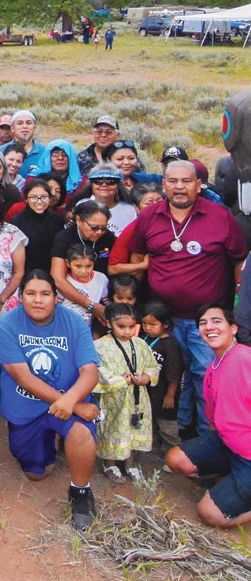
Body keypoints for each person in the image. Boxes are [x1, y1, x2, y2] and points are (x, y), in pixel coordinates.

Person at [130, 160, 248, 432]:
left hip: (205, 321)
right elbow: (137, 258)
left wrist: (236, 305)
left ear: (198, 185)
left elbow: (239, 261)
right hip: (161, 320)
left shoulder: (220, 216)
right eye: (173, 181)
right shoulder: (149, 217)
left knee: (206, 376)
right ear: (164, 185)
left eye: (186, 181)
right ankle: (172, 434)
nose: (179, 187)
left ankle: (209, 438)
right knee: (165, 376)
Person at [0, 270, 100, 530]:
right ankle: (52, 438)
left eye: (45, 294)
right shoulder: (7, 324)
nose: (38, 300)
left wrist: (70, 400)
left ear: (56, 298)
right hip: (27, 405)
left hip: (68, 400)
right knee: (37, 474)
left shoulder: (74, 323)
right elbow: (23, 377)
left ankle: (81, 492)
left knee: (80, 431)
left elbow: (90, 372)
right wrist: (74, 404)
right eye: (30, 293)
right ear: (21, 297)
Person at [165, 304, 251, 528]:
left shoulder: (245, 357)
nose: (209, 327)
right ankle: (230, 481)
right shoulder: (213, 367)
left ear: (233, 328)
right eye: (203, 323)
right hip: (229, 445)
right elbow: (214, 418)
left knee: (209, 514)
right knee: (176, 459)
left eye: (216, 321)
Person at [93, 304, 158, 483]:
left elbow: (153, 366)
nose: (127, 332)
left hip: (137, 398)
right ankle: (110, 463)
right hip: (114, 399)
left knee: (133, 428)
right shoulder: (100, 346)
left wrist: (146, 377)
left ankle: (130, 464)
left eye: (131, 327)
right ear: (108, 323)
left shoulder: (139, 343)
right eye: (121, 327)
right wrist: (123, 380)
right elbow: (99, 373)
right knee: (112, 428)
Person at [139, 302, 182, 454]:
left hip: (164, 393)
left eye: (153, 324)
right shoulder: (145, 338)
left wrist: (170, 395)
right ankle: (157, 449)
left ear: (165, 324)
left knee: (167, 425)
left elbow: (174, 372)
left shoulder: (169, 345)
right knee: (151, 420)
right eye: (144, 323)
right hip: (149, 392)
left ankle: (175, 450)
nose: (148, 328)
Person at [59, 244, 108, 327]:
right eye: (78, 266)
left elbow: (106, 301)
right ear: (68, 263)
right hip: (64, 327)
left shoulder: (101, 279)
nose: (83, 271)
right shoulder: (65, 282)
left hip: (86, 330)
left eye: (88, 266)